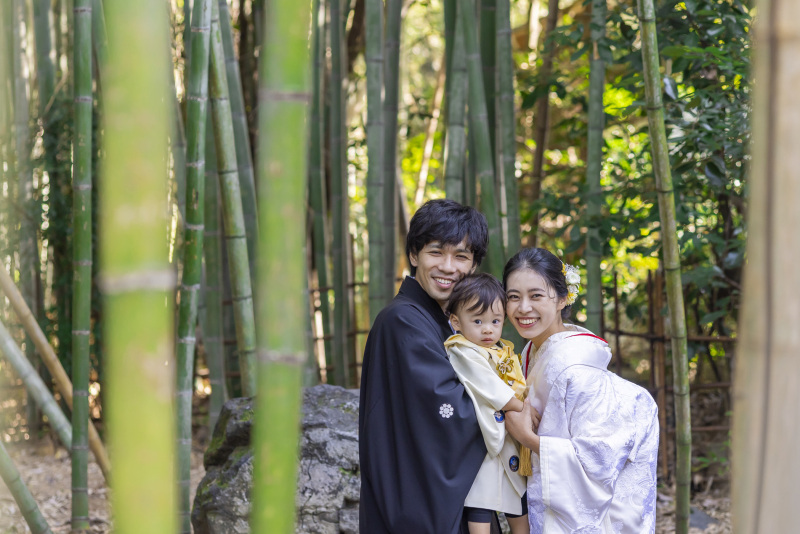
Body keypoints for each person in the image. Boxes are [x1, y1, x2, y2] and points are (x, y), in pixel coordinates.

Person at [501, 248, 659, 534]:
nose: (523, 308)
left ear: (563, 298)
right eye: (514, 297)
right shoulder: (531, 352)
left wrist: (526, 437)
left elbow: (598, 459)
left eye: (536, 296)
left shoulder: (576, 367)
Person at [359, 199, 492, 534]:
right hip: (416, 508)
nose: (448, 267)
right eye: (436, 252)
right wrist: (510, 409)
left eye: (461, 256)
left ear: (474, 264)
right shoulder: (402, 320)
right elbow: (451, 412)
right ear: (415, 255)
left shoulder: (446, 320)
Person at [444, 273, 530, 534]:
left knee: (518, 502)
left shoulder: (504, 349)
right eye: (478, 321)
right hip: (483, 439)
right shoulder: (462, 350)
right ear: (456, 322)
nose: (487, 329)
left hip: (508, 440)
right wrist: (521, 407)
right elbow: (491, 388)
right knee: (481, 501)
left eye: (495, 321)